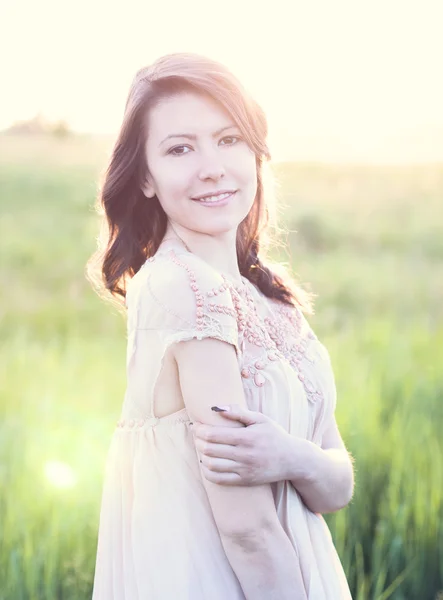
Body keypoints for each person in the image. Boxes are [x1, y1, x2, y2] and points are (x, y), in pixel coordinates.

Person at [87, 52, 354, 599]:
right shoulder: (181, 287)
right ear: (143, 177)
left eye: (229, 139)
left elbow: (337, 484)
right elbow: (247, 529)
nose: (211, 166)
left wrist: (291, 455)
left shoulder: (274, 295)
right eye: (180, 148)